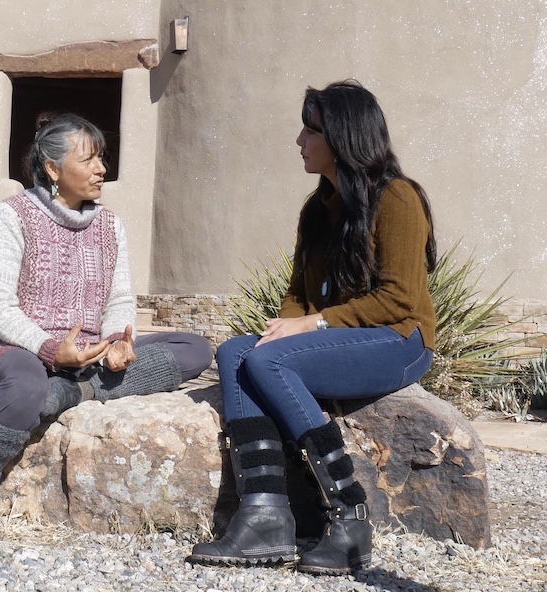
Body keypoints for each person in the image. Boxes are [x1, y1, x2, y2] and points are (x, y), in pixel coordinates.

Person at [187, 81, 437, 575]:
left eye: (310, 129)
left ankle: (352, 514)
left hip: (400, 340)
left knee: (265, 359)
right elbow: (299, 294)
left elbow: (399, 299)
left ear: (341, 137)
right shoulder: (316, 210)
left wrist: (314, 322)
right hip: (340, 337)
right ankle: (264, 517)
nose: (300, 141)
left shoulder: (399, 199)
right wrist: (284, 324)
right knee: (238, 352)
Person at [0, 113, 213, 539]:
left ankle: (74, 392)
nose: (101, 170)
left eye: (102, 159)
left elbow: (120, 299)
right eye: (89, 160)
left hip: (87, 360)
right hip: (15, 351)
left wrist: (117, 341)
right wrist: (51, 348)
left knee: (195, 349)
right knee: (26, 386)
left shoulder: (110, 225)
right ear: (53, 170)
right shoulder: (11, 216)